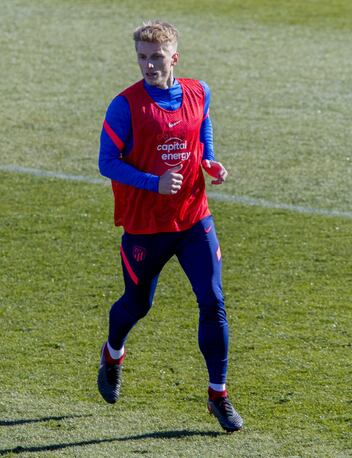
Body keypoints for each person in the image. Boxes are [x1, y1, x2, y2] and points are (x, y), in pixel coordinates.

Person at [97, 20, 243, 432]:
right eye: (142, 57)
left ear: (174, 57)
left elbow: (203, 126)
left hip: (195, 218)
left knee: (213, 300)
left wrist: (209, 159)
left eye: (156, 57)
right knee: (137, 305)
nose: (148, 65)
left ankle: (218, 394)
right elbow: (106, 163)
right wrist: (154, 183)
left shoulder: (199, 91)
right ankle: (113, 353)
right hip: (146, 226)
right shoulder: (124, 106)